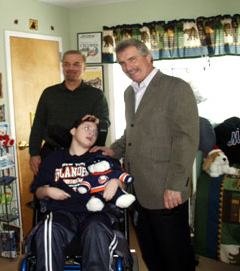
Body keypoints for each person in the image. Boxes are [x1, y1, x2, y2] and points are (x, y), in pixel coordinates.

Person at [92, 38, 199, 271]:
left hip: (166, 188)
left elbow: (186, 139)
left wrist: (175, 184)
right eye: (122, 63)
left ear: (148, 57)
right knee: (151, 251)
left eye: (132, 59)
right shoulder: (130, 93)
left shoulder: (176, 88)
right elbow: (132, 132)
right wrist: (113, 149)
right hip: (137, 188)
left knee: (176, 253)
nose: (128, 67)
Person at [29, 118, 127, 271]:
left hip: (95, 213)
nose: (92, 133)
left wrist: (115, 181)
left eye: (95, 132)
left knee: (96, 229)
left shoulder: (102, 158)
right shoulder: (53, 159)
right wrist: (47, 191)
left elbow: (123, 182)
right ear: (73, 131)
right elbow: (38, 192)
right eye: (86, 128)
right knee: (49, 228)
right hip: (62, 212)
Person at [29, 50, 110, 176]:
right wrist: (34, 154)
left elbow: (105, 123)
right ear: (62, 67)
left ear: (84, 68)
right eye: (67, 64)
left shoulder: (96, 95)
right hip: (52, 154)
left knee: (84, 193)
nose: (71, 68)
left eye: (76, 64)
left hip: (84, 157)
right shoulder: (49, 93)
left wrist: (97, 121)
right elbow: (38, 125)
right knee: (46, 193)